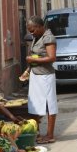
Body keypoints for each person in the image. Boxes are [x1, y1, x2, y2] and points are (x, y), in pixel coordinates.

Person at [20, 16, 58, 144]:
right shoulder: (37, 36)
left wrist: (33, 60)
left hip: (46, 76)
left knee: (49, 104)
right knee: (35, 104)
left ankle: (50, 135)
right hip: (36, 74)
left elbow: (52, 57)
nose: (31, 33)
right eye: (29, 31)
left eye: (33, 30)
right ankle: (36, 133)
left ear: (41, 27)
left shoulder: (48, 37)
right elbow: (36, 55)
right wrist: (28, 70)